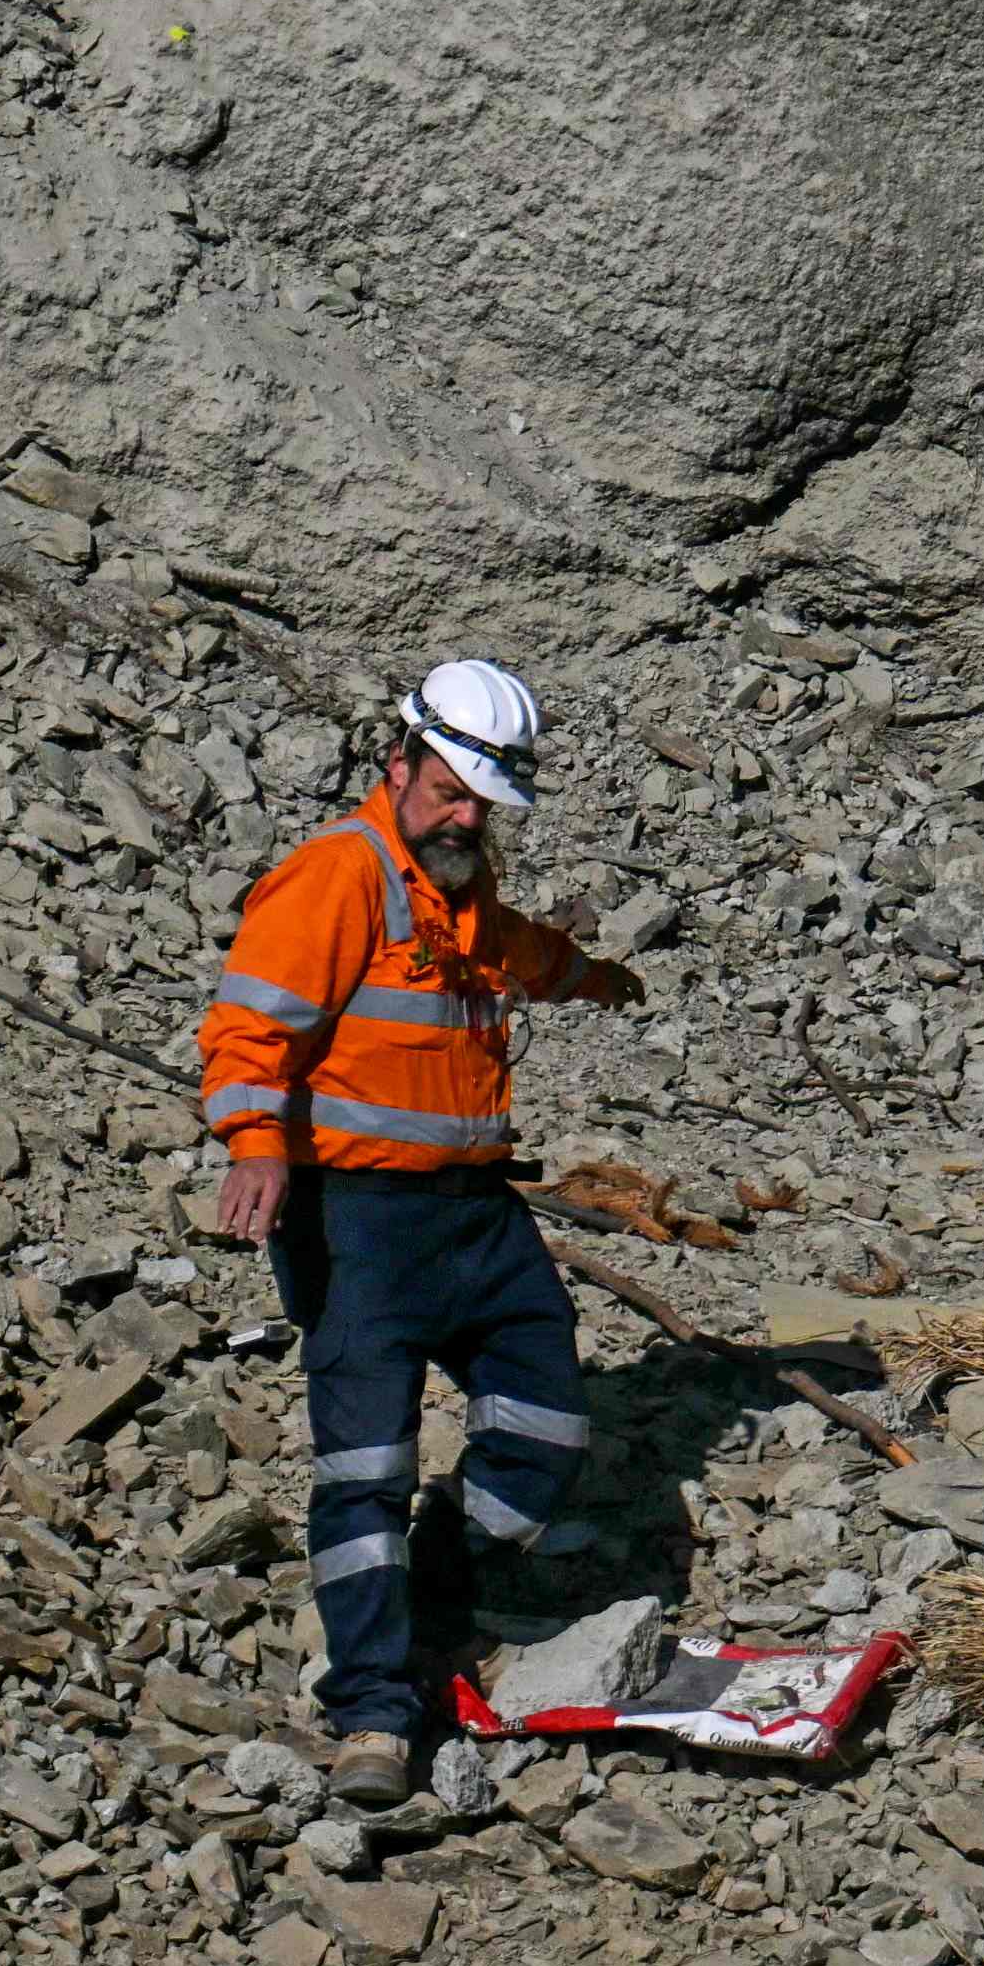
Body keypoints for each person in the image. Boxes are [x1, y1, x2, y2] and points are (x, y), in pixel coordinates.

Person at [196, 660, 644, 1808]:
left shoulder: (460, 890)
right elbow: (249, 1027)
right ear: (396, 766)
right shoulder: (333, 878)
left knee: (545, 1426)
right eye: (450, 792)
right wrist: (254, 1144)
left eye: (483, 804)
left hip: (476, 1213)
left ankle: (432, 1585)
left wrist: (590, 978)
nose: (465, 816)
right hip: (358, 1222)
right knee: (363, 1473)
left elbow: (514, 949)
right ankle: (375, 1712)